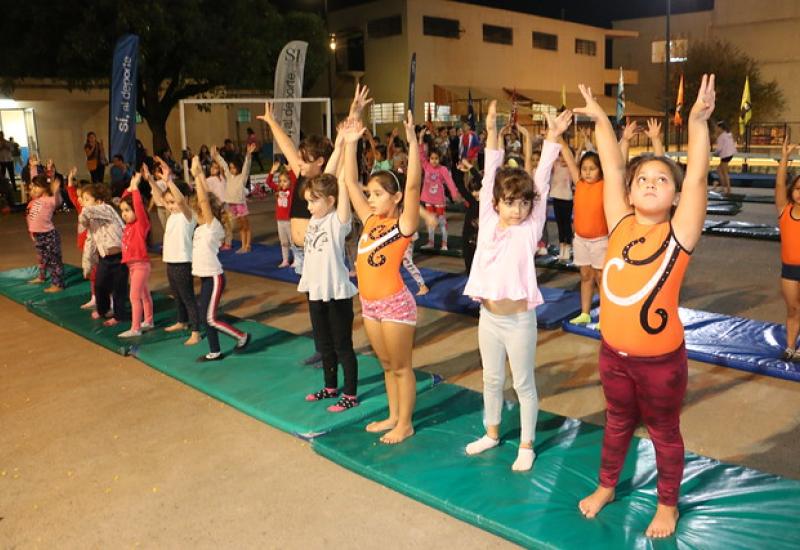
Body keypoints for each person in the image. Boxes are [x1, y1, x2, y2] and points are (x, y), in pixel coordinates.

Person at [576, 75, 716, 538]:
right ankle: (606, 485)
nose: (651, 184)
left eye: (662, 180)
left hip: (660, 362)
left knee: (663, 431)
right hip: (613, 355)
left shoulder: (678, 236)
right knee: (616, 423)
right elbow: (612, 169)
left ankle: (668, 504)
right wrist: (599, 118)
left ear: (675, 197)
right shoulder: (619, 225)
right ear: (631, 192)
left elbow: (696, 175)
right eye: (643, 179)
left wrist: (697, 124)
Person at [462, 101, 570, 472]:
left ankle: (527, 444)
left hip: (520, 320)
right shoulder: (489, 221)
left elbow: (540, 179)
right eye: (510, 203)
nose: (517, 210)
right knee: (491, 378)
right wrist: (491, 131)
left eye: (524, 204)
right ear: (495, 204)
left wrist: (553, 137)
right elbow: (492, 169)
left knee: (523, 383)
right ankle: (491, 433)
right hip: (488, 317)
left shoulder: (530, 228)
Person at [343, 88, 422, 445]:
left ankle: (405, 423)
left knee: (402, 366)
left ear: (396, 197)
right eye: (369, 194)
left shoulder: (402, 225)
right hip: (370, 305)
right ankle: (392, 416)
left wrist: (412, 142)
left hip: (395, 304)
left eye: (377, 194)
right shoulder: (370, 219)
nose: (370, 199)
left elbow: (415, 183)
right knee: (387, 366)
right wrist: (349, 135)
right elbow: (347, 181)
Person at [300, 120, 360, 412]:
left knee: (342, 346)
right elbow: (328, 175)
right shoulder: (315, 218)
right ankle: (330, 386)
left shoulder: (338, 220)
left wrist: (349, 145)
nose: (309, 206)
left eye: (313, 201)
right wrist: (339, 141)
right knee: (323, 345)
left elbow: (342, 180)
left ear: (330, 201)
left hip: (336, 294)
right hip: (315, 291)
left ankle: (349, 394)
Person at [183, 157, 250, 361]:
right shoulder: (202, 226)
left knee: (210, 317)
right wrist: (198, 178)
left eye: (199, 210)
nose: (196, 212)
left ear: (206, 211)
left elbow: (204, 200)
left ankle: (242, 336)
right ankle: (215, 351)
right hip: (205, 278)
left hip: (214, 278)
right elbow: (201, 199)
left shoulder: (213, 227)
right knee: (205, 317)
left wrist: (197, 174)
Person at [146, 162, 201, 346]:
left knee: (187, 297)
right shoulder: (173, 215)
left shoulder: (189, 214)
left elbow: (179, 201)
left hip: (182, 262)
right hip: (171, 261)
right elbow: (160, 198)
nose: (169, 206)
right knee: (176, 294)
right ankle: (182, 321)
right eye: (168, 203)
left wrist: (169, 181)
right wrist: (150, 180)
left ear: (183, 198)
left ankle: (196, 331)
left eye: (172, 202)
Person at [561, 145, 607, 326]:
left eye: (592, 169)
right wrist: (558, 136)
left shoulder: (605, 185)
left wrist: (624, 140)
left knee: (601, 279)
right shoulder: (579, 183)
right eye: (584, 169)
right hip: (580, 239)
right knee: (586, 276)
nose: (587, 173)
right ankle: (585, 313)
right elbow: (569, 158)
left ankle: (606, 318)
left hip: (600, 240)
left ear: (600, 170)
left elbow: (616, 163)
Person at [78, 183, 128, 325]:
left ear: (99, 201)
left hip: (120, 257)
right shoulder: (92, 222)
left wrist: (83, 208)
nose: (84, 203)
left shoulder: (107, 209)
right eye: (83, 199)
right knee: (100, 285)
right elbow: (90, 243)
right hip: (105, 259)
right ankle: (103, 309)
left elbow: (86, 214)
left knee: (119, 288)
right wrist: (87, 265)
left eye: (87, 199)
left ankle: (119, 316)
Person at [117, 173, 154, 338]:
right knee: (144, 294)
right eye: (122, 211)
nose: (124, 214)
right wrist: (129, 188)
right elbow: (125, 200)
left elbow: (137, 206)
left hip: (140, 265)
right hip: (132, 266)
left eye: (127, 211)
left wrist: (136, 189)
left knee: (134, 296)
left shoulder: (140, 224)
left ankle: (135, 328)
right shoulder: (128, 225)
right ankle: (149, 320)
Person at [418, 127, 464, 252]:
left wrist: (454, 194)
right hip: (428, 199)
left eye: (436, 159)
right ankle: (431, 242)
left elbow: (449, 182)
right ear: (429, 159)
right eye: (432, 158)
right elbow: (420, 154)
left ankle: (444, 243)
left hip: (439, 200)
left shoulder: (442, 169)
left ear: (440, 159)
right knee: (430, 222)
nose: (434, 161)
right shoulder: (426, 166)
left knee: (442, 222)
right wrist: (421, 138)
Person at [775, 136, 800, 362]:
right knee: (793, 310)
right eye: (799, 188)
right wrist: (784, 158)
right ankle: (790, 346)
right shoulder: (784, 210)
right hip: (790, 269)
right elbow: (780, 184)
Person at [26, 174, 64, 293]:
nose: (34, 189)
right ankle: (41, 277)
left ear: (45, 187)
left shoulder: (50, 200)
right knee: (42, 258)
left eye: (37, 187)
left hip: (48, 235)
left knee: (54, 260)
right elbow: (35, 180)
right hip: (37, 234)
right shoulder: (36, 200)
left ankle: (57, 284)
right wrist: (33, 167)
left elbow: (58, 201)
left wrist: (56, 191)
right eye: (33, 187)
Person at [214, 143, 254, 254]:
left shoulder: (242, 177)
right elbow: (224, 165)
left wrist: (248, 154)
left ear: (238, 167)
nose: (231, 170)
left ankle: (247, 245)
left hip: (240, 204)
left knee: (246, 225)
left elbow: (247, 166)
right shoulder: (229, 176)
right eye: (230, 168)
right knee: (241, 226)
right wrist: (217, 156)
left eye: (233, 168)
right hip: (232, 204)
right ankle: (243, 245)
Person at [66, 168, 97, 310]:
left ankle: (105, 299)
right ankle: (95, 297)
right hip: (85, 245)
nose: (79, 200)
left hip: (95, 246)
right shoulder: (81, 207)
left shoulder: (97, 211)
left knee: (98, 273)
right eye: (80, 197)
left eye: (83, 197)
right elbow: (71, 194)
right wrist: (70, 179)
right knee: (91, 273)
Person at [266, 160, 296, 268]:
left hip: (289, 220)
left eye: (285, 181)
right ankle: (285, 260)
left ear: (289, 182)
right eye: (280, 181)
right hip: (280, 220)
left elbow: (295, 180)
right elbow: (268, 182)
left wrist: (290, 170)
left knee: (293, 241)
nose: (282, 183)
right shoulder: (278, 189)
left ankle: (297, 260)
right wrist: (272, 172)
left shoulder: (291, 190)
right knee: (283, 242)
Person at [713, 120, 736, 195]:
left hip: (725, 155)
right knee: (719, 170)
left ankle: (728, 189)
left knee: (724, 172)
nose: (716, 129)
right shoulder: (729, 134)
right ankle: (724, 187)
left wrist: (715, 153)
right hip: (730, 154)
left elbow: (719, 149)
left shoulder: (721, 137)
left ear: (720, 128)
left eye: (717, 128)